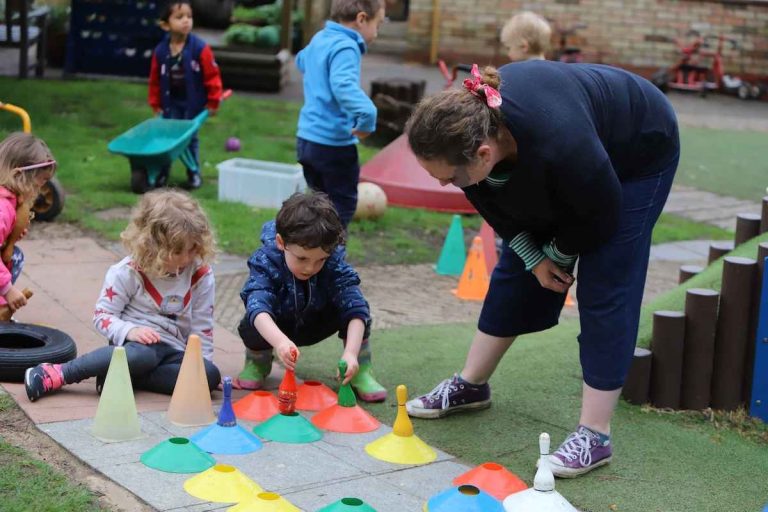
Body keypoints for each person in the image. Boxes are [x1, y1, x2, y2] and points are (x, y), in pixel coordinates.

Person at [404, 61, 679, 478]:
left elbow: (602, 213)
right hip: (581, 153)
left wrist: (560, 252)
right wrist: (535, 256)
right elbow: (492, 205)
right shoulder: (479, 132)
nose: (445, 185)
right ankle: (472, 383)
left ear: (482, 154)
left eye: (449, 177)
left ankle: (595, 434)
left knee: (607, 277)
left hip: (640, 149)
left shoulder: (559, 142)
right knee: (522, 257)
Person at [25, 190, 221, 401]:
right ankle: (59, 373)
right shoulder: (127, 272)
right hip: (134, 349)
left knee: (210, 376)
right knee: (142, 356)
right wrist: (131, 330)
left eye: (192, 249)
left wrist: (202, 366)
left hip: (173, 351)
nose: (186, 258)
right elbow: (102, 315)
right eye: (177, 252)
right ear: (154, 246)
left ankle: (119, 377)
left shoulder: (200, 274)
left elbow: (202, 326)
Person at [235, 191, 387, 402]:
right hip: (279, 326)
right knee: (253, 321)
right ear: (281, 242)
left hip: (317, 322)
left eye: (320, 260)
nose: (310, 268)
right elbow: (257, 303)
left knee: (356, 307)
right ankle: (257, 361)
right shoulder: (266, 261)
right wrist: (279, 342)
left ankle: (360, 369)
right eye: (302, 258)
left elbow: (355, 307)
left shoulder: (334, 262)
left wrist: (351, 353)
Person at [295, 0, 386, 228]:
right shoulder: (346, 46)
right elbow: (342, 86)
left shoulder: (320, 38)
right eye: (378, 24)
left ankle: (311, 257)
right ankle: (332, 261)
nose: (377, 32)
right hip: (333, 145)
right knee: (340, 208)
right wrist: (367, 115)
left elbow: (301, 60)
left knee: (317, 208)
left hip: (306, 140)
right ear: (362, 19)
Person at [148, 0, 223, 190]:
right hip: (170, 102)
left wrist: (213, 100)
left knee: (190, 139)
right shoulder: (161, 51)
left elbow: (212, 75)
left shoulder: (200, 48)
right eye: (179, 17)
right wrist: (155, 103)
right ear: (165, 25)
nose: (186, 21)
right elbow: (155, 80)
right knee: (168, 138)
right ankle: (162, 173)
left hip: (192, 103)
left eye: (189, 17)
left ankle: (193, 172)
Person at [0, 133, 56, 314]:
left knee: (15, 255)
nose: (40, 187)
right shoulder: (3, 208)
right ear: (19, 175)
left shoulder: (9, 201)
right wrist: (7, 290)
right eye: (41, 180)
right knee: (15, 258)